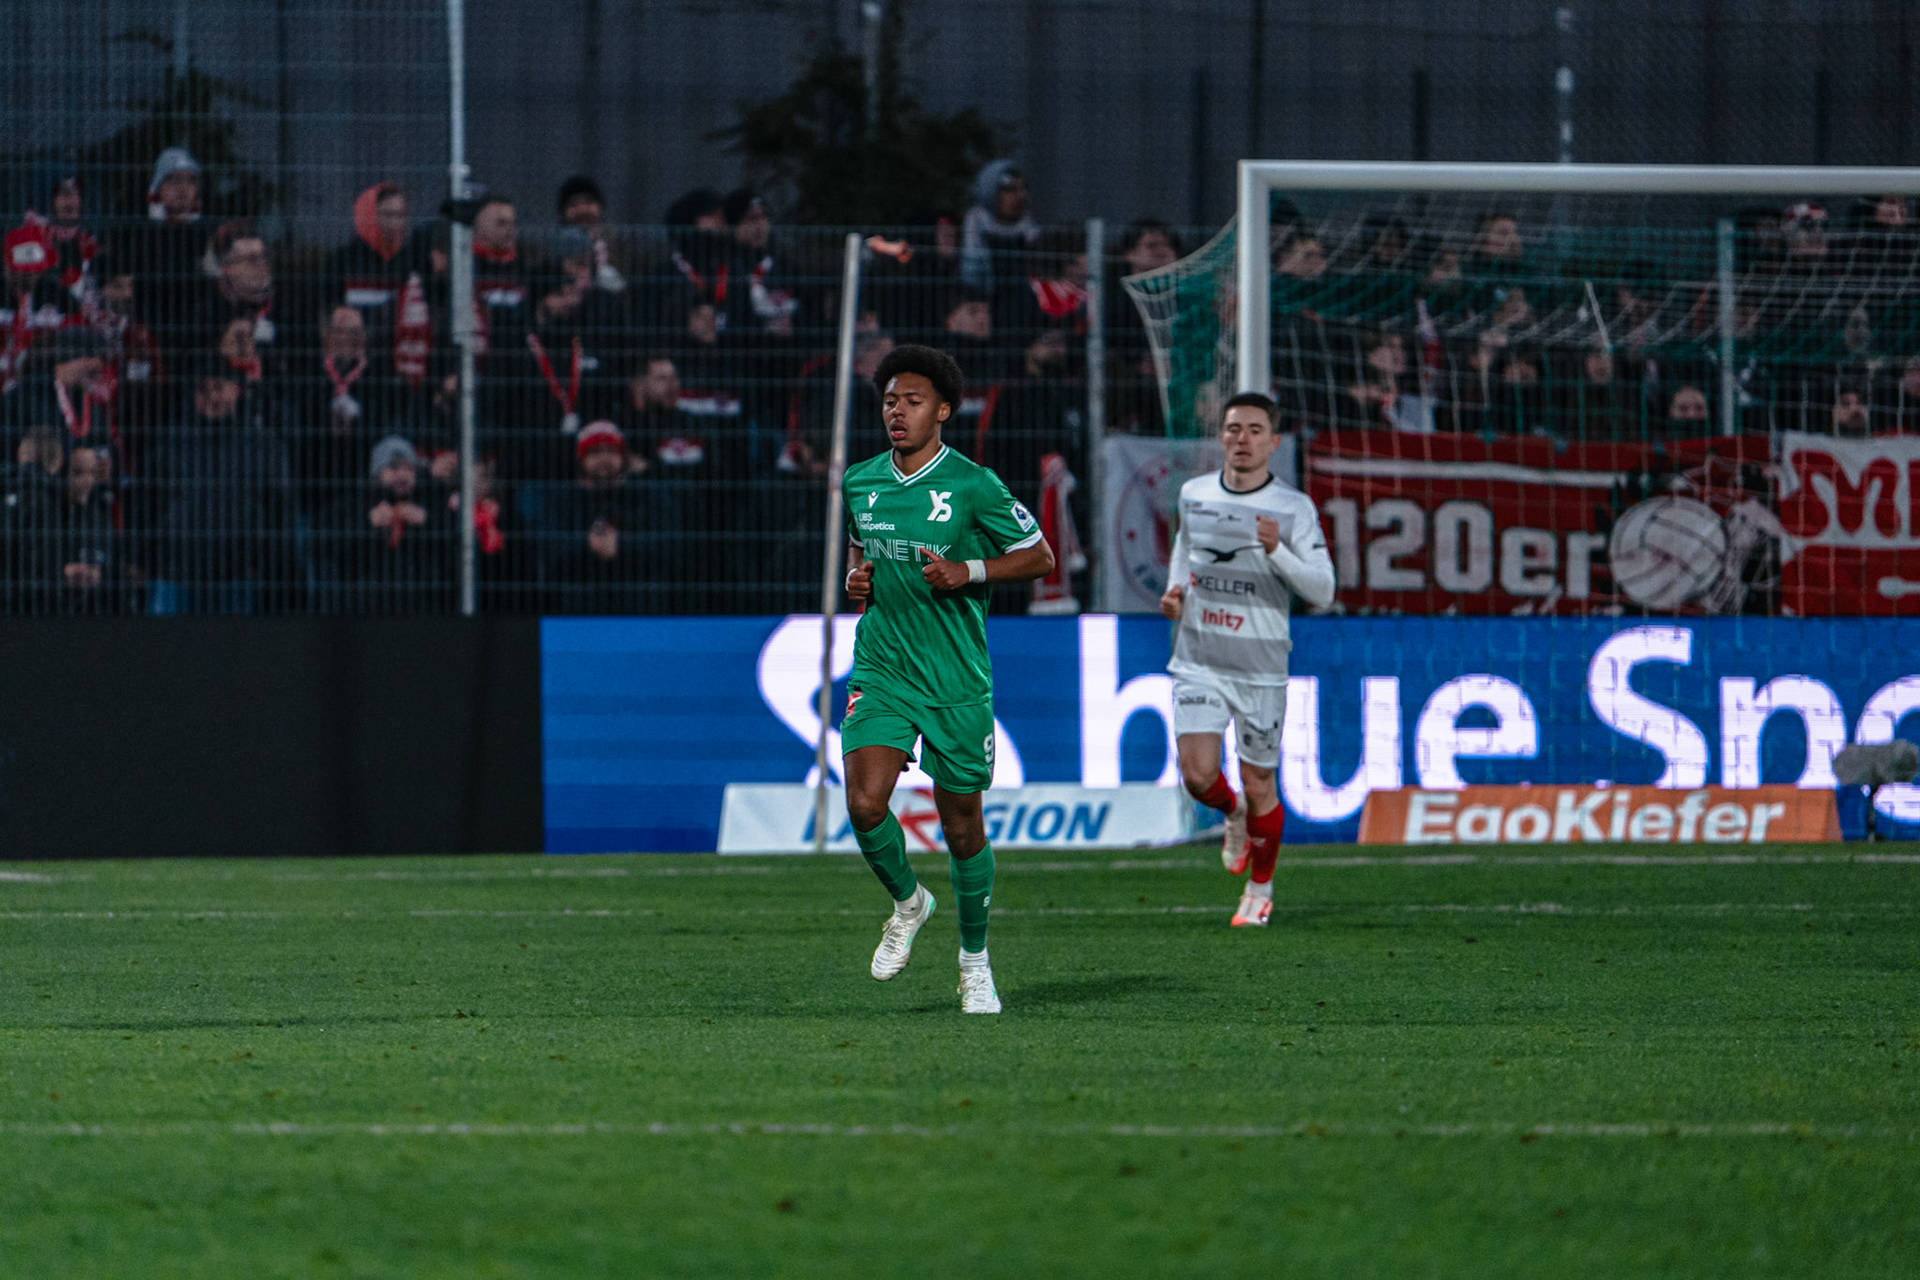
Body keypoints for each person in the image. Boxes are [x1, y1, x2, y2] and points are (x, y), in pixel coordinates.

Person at [838, 344, 1055, 1015]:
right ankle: (908, 903)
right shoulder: (861, 481)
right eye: (888, 401)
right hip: (884, 666)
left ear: (943, 411)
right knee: (866, 802)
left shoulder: (973, 485)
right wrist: (858, 578)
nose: (895, 412)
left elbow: (1039, 555)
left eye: (911, 401)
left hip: (956, 679)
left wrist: (972, 571)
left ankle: (975, 963)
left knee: (963, 829)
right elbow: (863, 547)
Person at [1158, 392, 1335, 928]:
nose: (1243, 439)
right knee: (1196, 775)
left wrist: (1279, 550)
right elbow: (1184, 551)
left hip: (1260, 668)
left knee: (1262, 782)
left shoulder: (1293, 508)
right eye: (1234, 429)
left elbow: (1324, 591)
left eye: (1255, 430)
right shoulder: (1194, 494)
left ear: (1273, 442)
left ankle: (1260, 887)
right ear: (1222, 437)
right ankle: (1230, 811)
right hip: (1199, 658)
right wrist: (1174, 591)